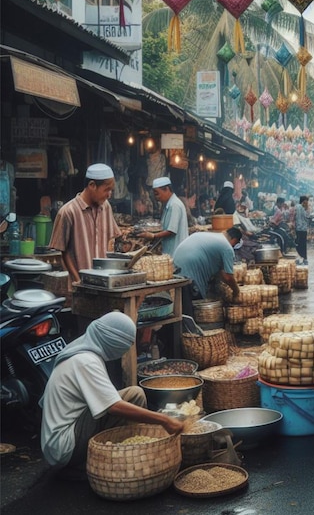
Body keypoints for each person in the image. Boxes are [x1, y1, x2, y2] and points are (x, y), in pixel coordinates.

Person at [40, 312, 183, 478]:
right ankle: (117, 458)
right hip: (64, 447)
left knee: (134, 393)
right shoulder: (85, 361)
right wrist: (164, 420)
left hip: (71, 431)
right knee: (125, 401)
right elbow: (113, 406)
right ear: (113, 342)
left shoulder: (83, 348)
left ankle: (133, 450)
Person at [49, 163, 121, 283]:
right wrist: (78, 280)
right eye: (107, 190)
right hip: (78, 286)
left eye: (111, 190)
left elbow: (111, 240)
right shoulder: (68, 212)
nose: (109, 195)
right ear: (92, 185)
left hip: (102, 284)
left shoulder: (106, 207)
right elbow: (61, 252)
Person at [173, 227, 243, 315]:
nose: (233, 247)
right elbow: (228, 277)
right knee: (194, 309)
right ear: (234, 240)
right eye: (235, 244)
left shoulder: (210, 237)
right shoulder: (227, 247)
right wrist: (236, 291)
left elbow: (222, 273)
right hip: (190, 275)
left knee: (180, 307)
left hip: (176, 268)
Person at [136, 177, 188, 257]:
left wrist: (153, 236)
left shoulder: (174, 205)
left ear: (166, 189)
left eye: (157, 193)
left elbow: (171, 231)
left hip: (176, 251)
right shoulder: (169, 204)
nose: (156, 197)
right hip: (171, 250)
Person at [295, 195, 310, 265]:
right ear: (304, 201)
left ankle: (304, 257)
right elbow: (303, 217)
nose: (307, 203)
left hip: (302, 228)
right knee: (300, 244)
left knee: (303, 244)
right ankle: (301, 257)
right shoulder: (299, 207)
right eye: (306, 201)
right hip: (300, 229)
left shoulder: (302, 208)